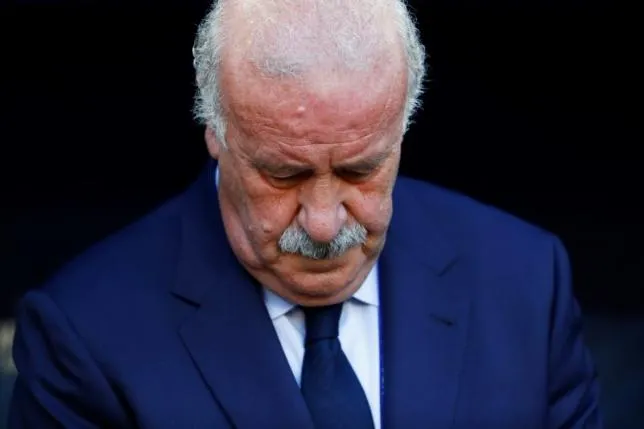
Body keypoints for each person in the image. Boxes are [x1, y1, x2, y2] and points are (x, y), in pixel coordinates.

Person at [8, 0, 602, 427]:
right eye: (284, 174)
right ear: (215, 130)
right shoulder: (84, 335)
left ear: (401, 127)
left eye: (360, 170)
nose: (323, 223)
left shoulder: (526, 284)